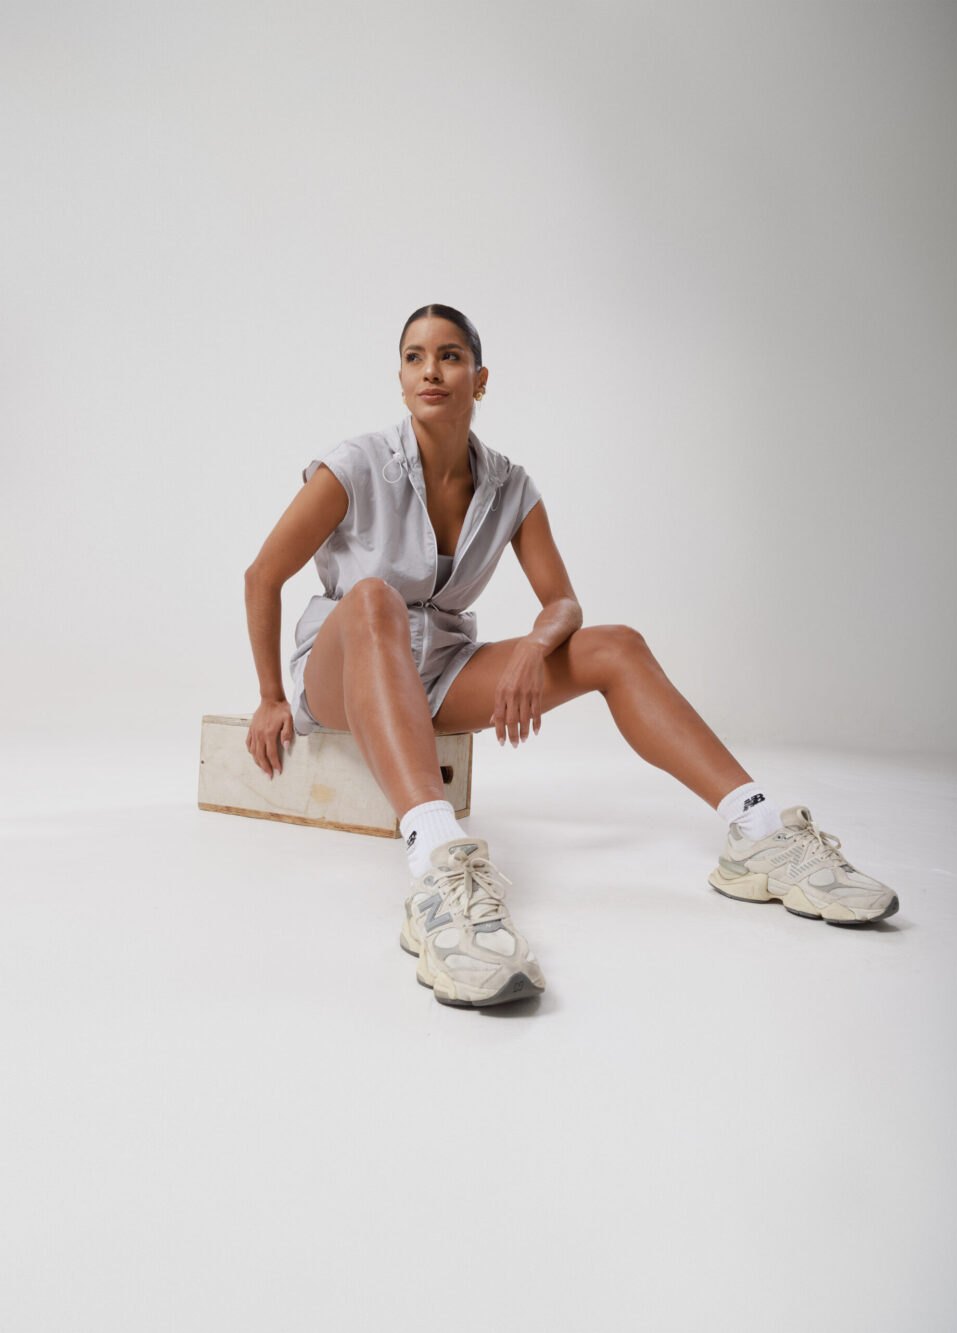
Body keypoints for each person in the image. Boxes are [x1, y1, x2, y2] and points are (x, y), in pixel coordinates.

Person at [243, 304, 900, 1009]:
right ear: (401, 379)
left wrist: (534, 646)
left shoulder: (509, 486)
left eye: (450, 355)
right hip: (342, 671)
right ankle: (437, 870)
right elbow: (262, 576)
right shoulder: (355, 465)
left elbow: (562, 602)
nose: (431, 370)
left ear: (480, 378)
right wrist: (271, 697)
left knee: (617, 646)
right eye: (414, 357)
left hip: (438, 671)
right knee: (374, 597)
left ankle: (760, 833)